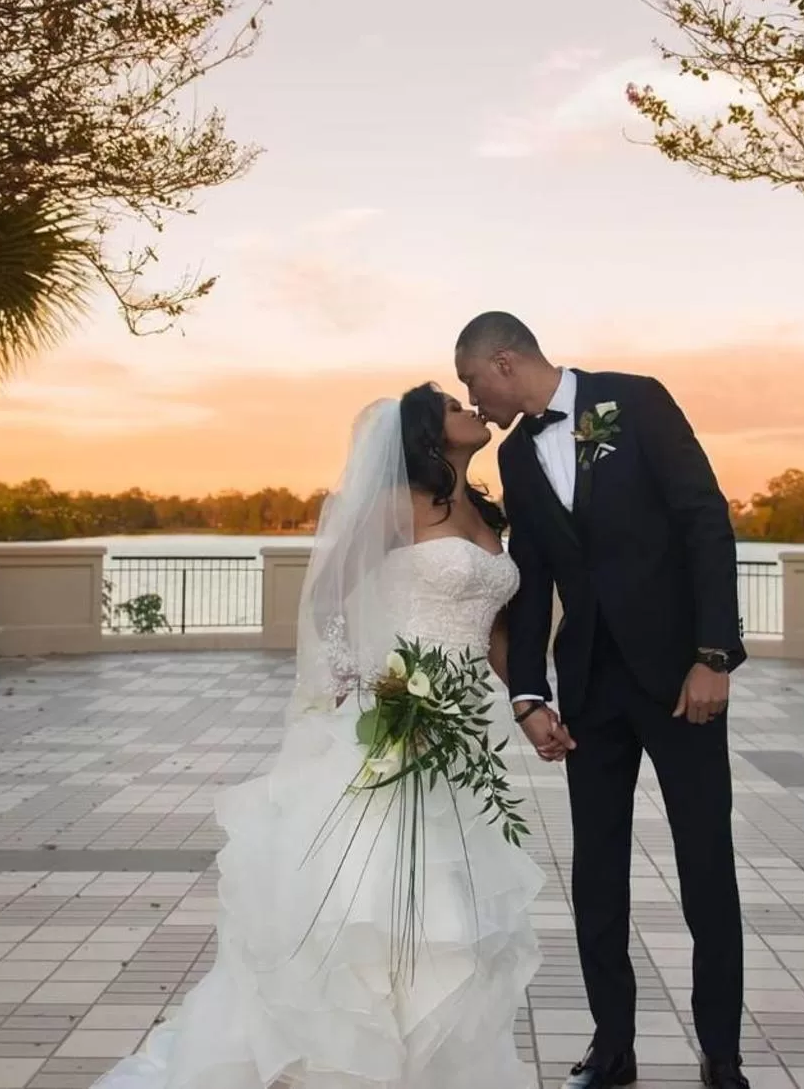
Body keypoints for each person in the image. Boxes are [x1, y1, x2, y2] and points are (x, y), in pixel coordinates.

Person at [94, 384, 544, 1089]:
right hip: (396, 719)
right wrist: (368, 684)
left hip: (465, 728)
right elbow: (331, 594)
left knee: (448, 894)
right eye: (456, 405)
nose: (472, 410)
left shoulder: (484, 512)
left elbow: (493, 632)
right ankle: (345, 1056)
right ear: (428, 432)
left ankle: (425, 1059)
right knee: (372, 889)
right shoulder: (398, 504)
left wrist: (530, 705)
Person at [455, 312, 750, 1089]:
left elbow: (703, 522)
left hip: (680, 682)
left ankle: (721, 1054)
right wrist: (528, 693)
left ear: (505, 362)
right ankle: (611, 1047)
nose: (474, 401)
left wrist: (713, 656)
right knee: (596, 876)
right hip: (589, 689)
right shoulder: (517, 456)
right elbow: (533, 576)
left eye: (472, 383)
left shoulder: (635, 399)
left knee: (706, 868)